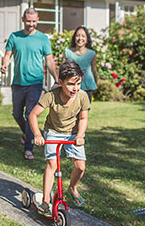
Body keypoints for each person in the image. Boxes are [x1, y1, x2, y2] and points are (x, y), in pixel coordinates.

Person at [29, 60, 90, 216]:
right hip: (53, 131)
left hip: (73, 133)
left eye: (78, 84)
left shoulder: (82, 96)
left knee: (80, 166)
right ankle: (45, 201)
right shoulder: (51, 96)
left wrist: (80, 135)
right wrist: (37, 134)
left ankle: (72, 188)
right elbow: (33, 115)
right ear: (61, 82)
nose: (75, 88)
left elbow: (83, 118)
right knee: (52, 165)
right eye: (70, 84)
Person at [1, 8, 59, 160]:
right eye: (28, 21)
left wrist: (57, 79)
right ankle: (28, 133)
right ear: (23, 19)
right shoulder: (15, 36)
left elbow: (50, 61)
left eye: (33, 21)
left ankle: (28, 148)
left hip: (35, 82)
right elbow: (7, 55)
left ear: (37, 20)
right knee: (16, 113)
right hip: (18, 82)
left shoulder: (43, 38)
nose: (31, 24)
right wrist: (4, 65)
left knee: (30, 114)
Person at [63, 26, 98, 102]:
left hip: (87, 87)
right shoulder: (67, 52)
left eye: (83, 36)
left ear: (87, 39)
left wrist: (96, 84)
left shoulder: (91, 53)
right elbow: (62, 69)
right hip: (71, 87)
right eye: (77, 36)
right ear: (74, 38)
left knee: (85, 111)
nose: (80, 38)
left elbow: (94, 70)